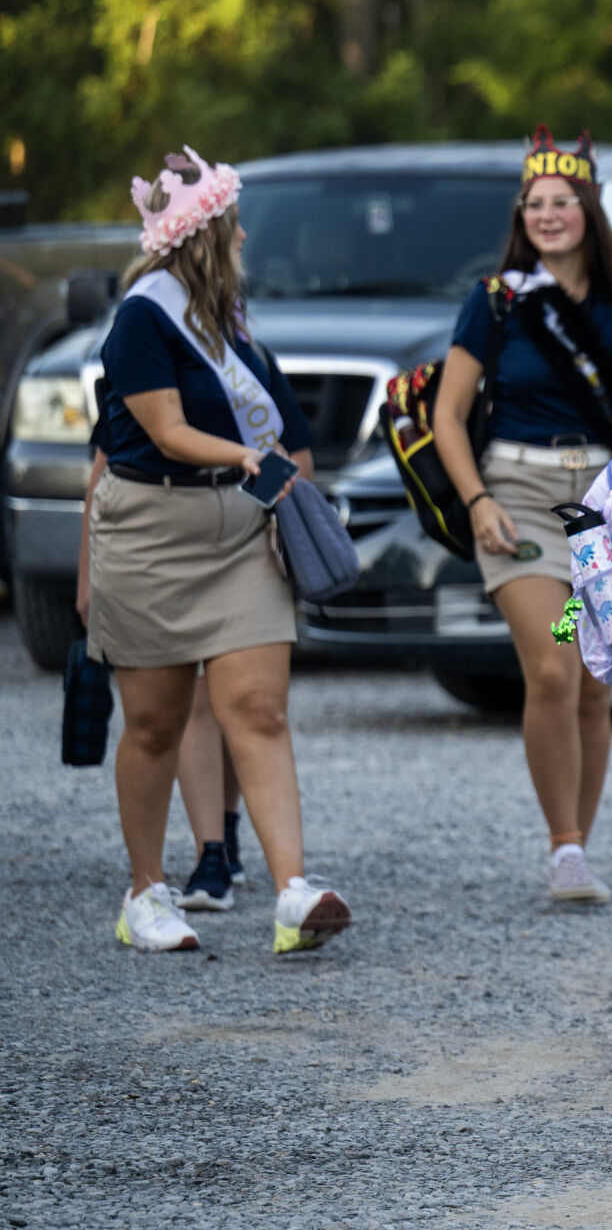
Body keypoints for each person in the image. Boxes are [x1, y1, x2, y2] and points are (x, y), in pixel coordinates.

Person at [93, 146, 349, 954]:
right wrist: (243, 458)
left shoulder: (232, 331)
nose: (243, 242)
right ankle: (145, 892)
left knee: (259, 711)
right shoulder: (142, 316)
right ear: (207, 237)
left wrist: (282, 481)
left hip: (237, 535)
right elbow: (164, 430)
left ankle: (292, 891)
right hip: (149, 534)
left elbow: (287, 436)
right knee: (155, 724)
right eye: (235, 230)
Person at [434, 127, 612, 903]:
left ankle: (581, 846)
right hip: (523, 508)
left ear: (589, 208)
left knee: (594, 681)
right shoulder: (494, 302)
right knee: (552, 662)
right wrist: (477, 501)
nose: (548, 214)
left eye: (562, 200)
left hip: (599, 515)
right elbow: (448, 415)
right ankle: (562, 845)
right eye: (534, 203)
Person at [80, 443, 251, 910]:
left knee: (243, 707)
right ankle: (208, 852)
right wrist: (86, 576)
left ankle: (226, 830)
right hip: (155, 546)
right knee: (184, 707)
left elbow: (297, 453)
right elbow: (104, 467)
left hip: (238, 543)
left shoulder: (251, 370)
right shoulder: (144, 373)